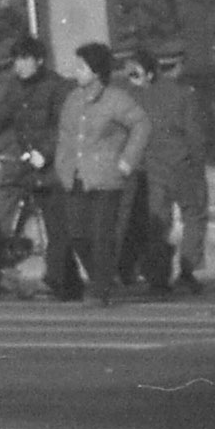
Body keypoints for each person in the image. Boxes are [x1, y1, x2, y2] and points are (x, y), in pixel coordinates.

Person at [0, 34, 74, 297]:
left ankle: (55, 280)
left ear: (40, 61)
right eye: (16, 60)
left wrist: (44, 153)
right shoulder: (16, 87)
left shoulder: (57, 87)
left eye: (25, 60)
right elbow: (1, 116)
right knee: (46, 223)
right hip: (28, 162)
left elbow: (63, 127)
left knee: (57, 225)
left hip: (53, 164)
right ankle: (66, 282)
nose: (19, 66)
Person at [53, 42, 150, 307]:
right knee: (76, 234)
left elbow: (141, 124)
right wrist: (62, 166)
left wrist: (128, 161)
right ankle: (102, 276)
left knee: (101, 235)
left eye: (82, 66)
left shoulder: (116, 99)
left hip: (106, 178)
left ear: (96, 71)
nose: (77, 71)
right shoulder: (73, 99)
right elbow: (64, 136)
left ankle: (99, 289)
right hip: (74, 176)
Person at [119, 48, 208, 294]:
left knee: (158, 222)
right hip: (183, 165)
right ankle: (188, 270)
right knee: (194, 214)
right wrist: (198, 166)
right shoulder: (184, 94)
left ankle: (158, 276)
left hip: (152, 168)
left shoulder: (137, 95)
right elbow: (195, 136)